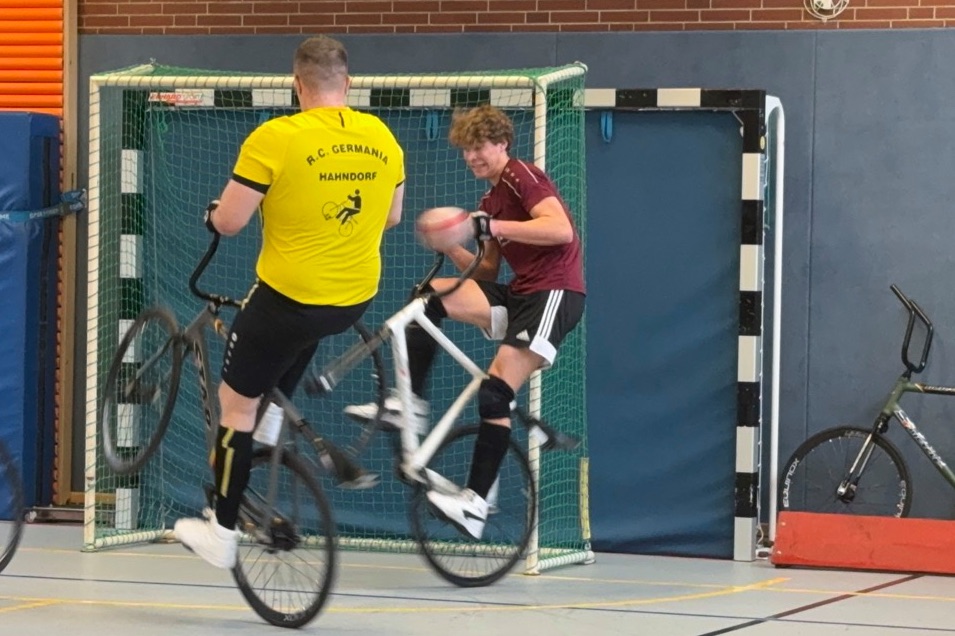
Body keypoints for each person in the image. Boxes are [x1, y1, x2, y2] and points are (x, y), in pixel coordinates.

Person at [173, 35, 406, 569]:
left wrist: (212, 215)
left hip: (288, 298)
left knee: (235, 408)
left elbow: (229, 222)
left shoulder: (275, 136)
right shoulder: (382, 135)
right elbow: (392, 216)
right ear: (347, 84)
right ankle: (272, 426)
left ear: (296, 84)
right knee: (286, 357)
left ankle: (222, 534)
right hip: (352, 301)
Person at [346, 104, 585, 540]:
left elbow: (560, 230)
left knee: (495, 393)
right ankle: (410, 403)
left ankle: (475, 502)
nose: (472, 157)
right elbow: (488, 272)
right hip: (519, 292)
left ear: (502, 145)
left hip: (555, 293)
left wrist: (490, 225)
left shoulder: (521, 175)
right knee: (429, 295)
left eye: (480, 148)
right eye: (466, 151)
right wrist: (453, 242)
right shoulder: (490, 199)